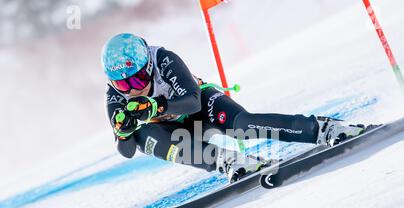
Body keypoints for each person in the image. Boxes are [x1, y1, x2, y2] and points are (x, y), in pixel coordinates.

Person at [101, 33, 365, 182]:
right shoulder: (114, 97)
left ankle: (323, 129)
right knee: (141, 136)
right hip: (174, 131)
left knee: (243, 127)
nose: (131, 88)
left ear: (147, 66)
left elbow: (192, 101)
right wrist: (123, 132)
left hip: (200, 107)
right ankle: (227, 160)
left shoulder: (164, 59)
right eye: (122, 85)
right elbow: (125, 152)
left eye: (136, 79)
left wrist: (155, 106)